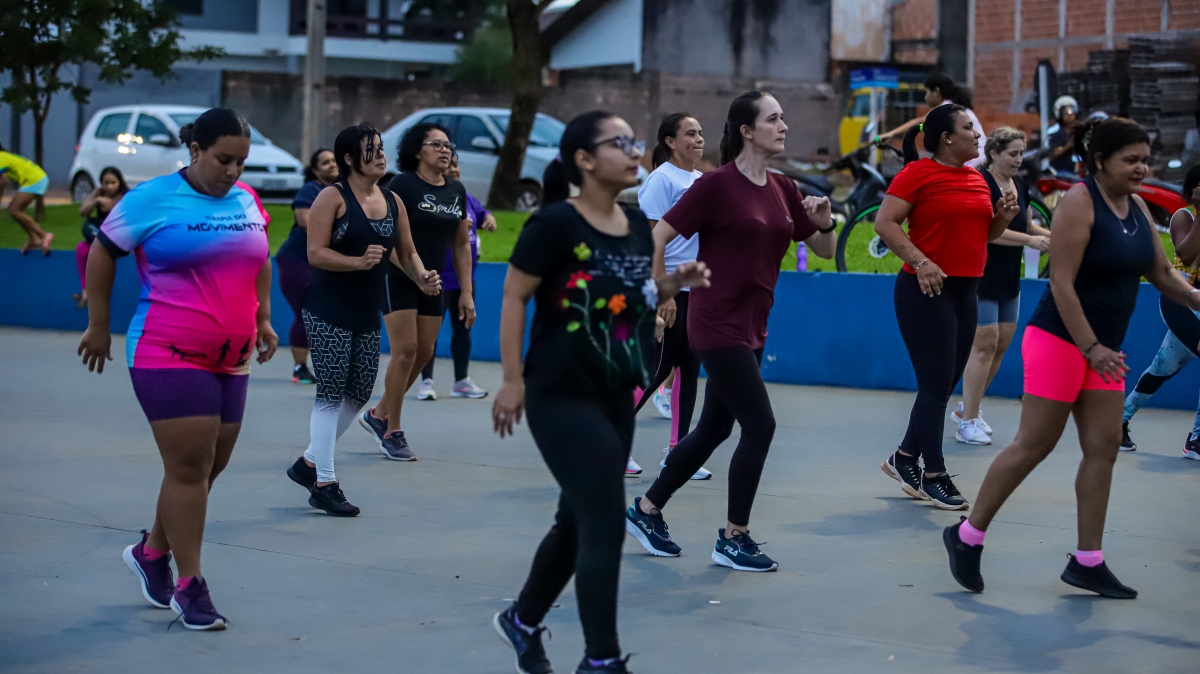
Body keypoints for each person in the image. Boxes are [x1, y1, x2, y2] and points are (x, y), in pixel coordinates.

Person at [942, 117, 1200, 599]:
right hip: (1061, 340)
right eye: (1131, 160)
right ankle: (967, 535)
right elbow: (1061, 281)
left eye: (1146, 159)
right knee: (1034, 444)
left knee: (1104, 446)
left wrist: (1194, 297)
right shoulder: (1079, 203)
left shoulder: (1137, 207)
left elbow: (1162, 271)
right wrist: (1091, 347)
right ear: (1100, 161)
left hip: (1103, 350)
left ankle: (1087, 561)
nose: (1142, 168)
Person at [490, 110, 710, 674]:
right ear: (584, 160)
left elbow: (630, 290)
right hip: (559, 394)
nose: (634, 151)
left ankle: (521, 620)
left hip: (615, 392)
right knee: (606, 519)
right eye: (620, 143)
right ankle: (602, 659)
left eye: (634, 141)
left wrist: (671, 285)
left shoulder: (635, 224)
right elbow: (514, 296)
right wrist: (512, 380)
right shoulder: (555, 224)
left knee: (576, 521)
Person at [77, 108, 278, 630]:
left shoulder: (246, 199)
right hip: (167, 349)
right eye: (223, 159)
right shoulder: (151, 198)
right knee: (190, 464)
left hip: (233, 355)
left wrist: (265, 318)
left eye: (241, 162)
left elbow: (260, 257)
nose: (233, 171)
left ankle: (151, 553)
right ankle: (190, 587)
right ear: (195, 150)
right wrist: (98, 324)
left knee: (210, 466)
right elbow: (102, 251)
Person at [623, 91, 838, 572]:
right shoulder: (716, 185)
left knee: (715, 427)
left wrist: (825, 224)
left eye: (783, 118)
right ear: (746, 130)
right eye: (774, 119)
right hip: (715, 322)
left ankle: (646, 509)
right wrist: (661, 293)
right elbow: (657, 236)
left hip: (753, 325)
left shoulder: (782, 187)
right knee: (760, 425)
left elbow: (823, 250)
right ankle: (733, 537)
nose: (784, 126)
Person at [285, 123, 436, 516]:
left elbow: (406, 252)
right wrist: (357, 262)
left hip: (367, 309)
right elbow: (316, 253)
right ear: (350, 159)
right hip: (327, 308)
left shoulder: (392, 200)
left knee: (358, 394)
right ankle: (325, 482)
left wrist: (421, 276)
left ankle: (308, 462)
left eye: (381, 148)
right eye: (371, 149)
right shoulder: (331, 198)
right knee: (331, 392)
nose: (381, 155)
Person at [876, 104, 1019, 510]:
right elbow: (885, 223)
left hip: (966, 291)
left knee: (941, 384)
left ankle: (905, 457)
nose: (977, 135)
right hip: (926, 290)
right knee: (936, 385)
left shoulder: (976, 178)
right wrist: (921, 261)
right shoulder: (916, 174)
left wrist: (1003, 218)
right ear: (946, 138)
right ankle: (934, 474)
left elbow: (983, 235)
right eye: (969, 128)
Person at [357, 123, 472, 461]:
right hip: (398, 275)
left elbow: (461, 244)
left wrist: (466, 292)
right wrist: (415, 273)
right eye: (436, 144)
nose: (445, 150)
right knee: (406, 350)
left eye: (448, 145)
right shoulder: (401, 185)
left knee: (423, 353)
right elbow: (386, 237)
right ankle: (392, 431)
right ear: (417, 150)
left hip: (433, 280)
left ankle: (378, 414)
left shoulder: (457, 190)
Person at [626, 112, 712, 481]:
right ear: (670, 142)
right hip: (668, 289)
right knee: (655, 369)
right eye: (690, 133)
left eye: (701, 133)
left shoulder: (701, 181)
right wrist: (664, 292)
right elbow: (651, 241)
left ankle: (679, 454)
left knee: (688, 371)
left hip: (696, 291)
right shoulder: (662, 180)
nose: (699, 139)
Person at [953, 127, 1052, 444]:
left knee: (1001, 344)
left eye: (1021, 153)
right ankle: (968, 422)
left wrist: (1052, 235)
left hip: (1009, 277)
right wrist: (1030, 241)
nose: (1018, 159)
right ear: (994, 153)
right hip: (981, 274)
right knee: (984, 344)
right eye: (1013, 153)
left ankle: (968, 408)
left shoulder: (1019, 184)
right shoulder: (980, 183)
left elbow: (1026, 223)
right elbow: (987, 231)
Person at [1121, 163, 1200, 459]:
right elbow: (1186, 254)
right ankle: (1197, 439)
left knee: (1162, 367)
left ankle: (1121, 419)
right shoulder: (1184, 216)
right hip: (1182, 299)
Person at [417, 152, 496, 399]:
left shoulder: (465, 197)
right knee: (429, 332)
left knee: (463, 331)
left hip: (464, 280)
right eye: (448, 166)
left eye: (456, 166)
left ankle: (461, 380)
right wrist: (456, 225)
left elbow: (483, 214)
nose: (453, 170)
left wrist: (488, 220)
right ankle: (426, 381)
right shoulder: (433, 198)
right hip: (438, 277)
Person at [277, 148, 339, 385]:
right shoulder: (310, 190)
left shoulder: (342, 191)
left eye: (334, 161)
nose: (332, 165)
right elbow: (304, 221)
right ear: (315, 170)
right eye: (325, 162)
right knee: (307, 312)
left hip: (324, 262)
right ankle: (300, 368)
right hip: (297, 260)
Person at [876, 73, 986, 167]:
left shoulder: (946, 108)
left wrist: (890, 134)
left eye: (927, 92)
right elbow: (922, 126)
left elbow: (919, 122)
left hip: (973, 162)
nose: (925, 97)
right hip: (980, 159)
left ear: (936, 91)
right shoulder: (957, 106)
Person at [73, 166, 129, 309]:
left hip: (119, 238)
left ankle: (98, 294)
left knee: (102, 256)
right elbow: (83, 212)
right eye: (106, 183)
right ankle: (85, 290)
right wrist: (97, 201)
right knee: (81, 249)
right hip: (100, 235)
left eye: (113, 183)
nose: (109, 187)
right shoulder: (99, 193)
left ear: (120, 182)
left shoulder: (126, 196)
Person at [0, 142, 54, 255]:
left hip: (35, 180)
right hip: (36, 178)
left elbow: (3, 180)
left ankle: (44, 235)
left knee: (14, 210)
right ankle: (34, 239)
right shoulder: (5, 156)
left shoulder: (1, 157)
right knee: (15, 211)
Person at [1048, 96, 1080, 175]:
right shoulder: (1055, 132)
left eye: (1072, 113)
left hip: (1078, 172)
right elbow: (1052, 155)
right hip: (1060, 172)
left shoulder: (1079, 130)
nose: (1070, 116)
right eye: (1066, 113)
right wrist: (1068, 146)